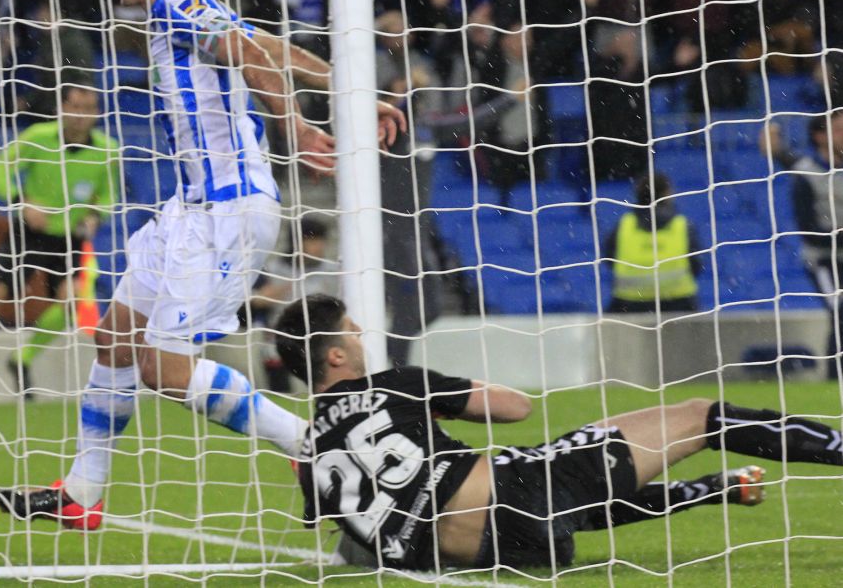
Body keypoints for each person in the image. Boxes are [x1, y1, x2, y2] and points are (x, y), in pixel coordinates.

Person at [0, 0, 406, 529]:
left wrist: (291, 123)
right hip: (189, 209)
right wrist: (354, 92)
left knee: (163, 367)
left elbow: (247, 55)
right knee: (116, 336)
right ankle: (82, 494)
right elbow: (267, 47)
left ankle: (311, 447)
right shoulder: (182, 8)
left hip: (227, 211)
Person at [275, 293, 843, 573]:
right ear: (335, 352)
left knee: (576, 491)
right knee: (697, 416)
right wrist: (441, 402)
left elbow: (350, 534)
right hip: (516, 497)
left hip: (480, 554)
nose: (361, 336)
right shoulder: (397, 383)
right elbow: (514, 406)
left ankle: (717, 488)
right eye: (352, 331)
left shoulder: (309, 447)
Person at [0, 81, 120, 398]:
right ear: (62, 109)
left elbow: (109, 197)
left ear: (97, 113)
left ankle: (20, 359)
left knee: (73, 302)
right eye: (76, 107)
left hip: (68, 239)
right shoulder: (38, 138)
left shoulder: (108, 150)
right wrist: (22, 200)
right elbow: (0, 172)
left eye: (89, 109)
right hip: (26, 235)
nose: (81, 116)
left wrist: (96, 215)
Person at [763, 111, 843, 376]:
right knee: (840, 311)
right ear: (820, 136)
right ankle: (835, 375)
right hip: (823, 260)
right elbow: (809, 231)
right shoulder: (807, 173)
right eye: (839, 130)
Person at [247, 214, 340, 392]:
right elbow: (252, 303)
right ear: (296, 242)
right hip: (280, 341)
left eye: (321, 240)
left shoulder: (333, 271)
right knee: (281, 392)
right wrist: (272, 293)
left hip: (321, 341)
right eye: (312, 240)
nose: (318, 246)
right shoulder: (274, 269)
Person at [604, 172, 703, 315]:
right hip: (679, 304)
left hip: (629, 305)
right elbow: (696, 265)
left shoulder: (623, 226)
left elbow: (609, 258)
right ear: (667, 194)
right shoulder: (683, 226)